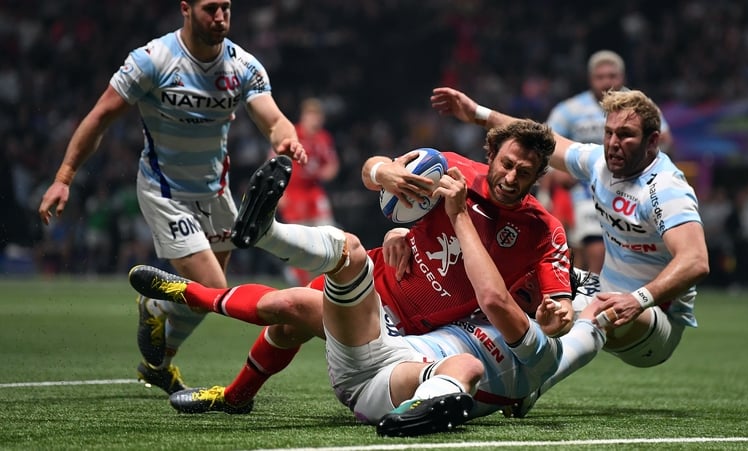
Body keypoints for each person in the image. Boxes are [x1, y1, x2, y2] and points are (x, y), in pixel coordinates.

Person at [128, 151, 612, 435]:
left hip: (401, 334)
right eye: (506, 164)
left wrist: (568, 315)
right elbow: (372, 167)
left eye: (524, 172)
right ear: (492, 155)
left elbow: (549, 318)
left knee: (293, 305)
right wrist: (384, 174)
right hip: (382, 284)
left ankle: (199, 290)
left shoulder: (537, 238)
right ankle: (234, 392)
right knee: (287, 315)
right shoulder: (457, 171)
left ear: (536, 178)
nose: (510, 177)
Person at [37, 0, 306, 395]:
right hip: (165, 191)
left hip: (215, 193)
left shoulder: (243, 66)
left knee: (204, 294)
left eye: (226, 8)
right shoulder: (152, 60)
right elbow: (100, 116)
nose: (220, 18)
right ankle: (158, 308)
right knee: (213, 289)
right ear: (186, 9)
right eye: (210, 9)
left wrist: (286, 137)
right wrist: (64, 177)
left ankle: (159, 362)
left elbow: (273, 117)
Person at [431, 86, 709, 372]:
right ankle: (453, 349)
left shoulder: (665, 188)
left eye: (626, 135)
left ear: (652, 142)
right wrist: (478, 113)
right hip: (603, 289)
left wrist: (637, 300)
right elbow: (542, 139)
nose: (613, 142)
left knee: (601, 307)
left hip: (655, 319)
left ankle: (533, 385)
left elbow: (695, 261)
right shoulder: (600, 163)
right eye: (609, 132)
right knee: (520, 272)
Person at [545, 50, 674, 275]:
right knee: (579, 254)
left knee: (602, 252)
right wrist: (550, 185)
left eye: (612, 75)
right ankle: (583, 300)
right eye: (600, 76)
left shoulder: (640, 106)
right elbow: (546, 144)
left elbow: (664, 140)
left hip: (631, 191)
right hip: (582, 191)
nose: (607, 82)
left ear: (622, 77)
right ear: (590, 79)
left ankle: (600, 299)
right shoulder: (569, 110)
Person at [278, 97, 340, 286]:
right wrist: (280, 192)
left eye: (318, 115)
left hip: (314, 192)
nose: (316, 119)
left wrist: (327, 172)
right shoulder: (292, 134)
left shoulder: (324, 137)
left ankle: (327, 277)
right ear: (304, 116)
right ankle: (298, 275)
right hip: (294, 193)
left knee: (330, 232)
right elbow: (276, 160)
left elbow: (332, 163)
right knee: (298, 238)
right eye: (312, 115)